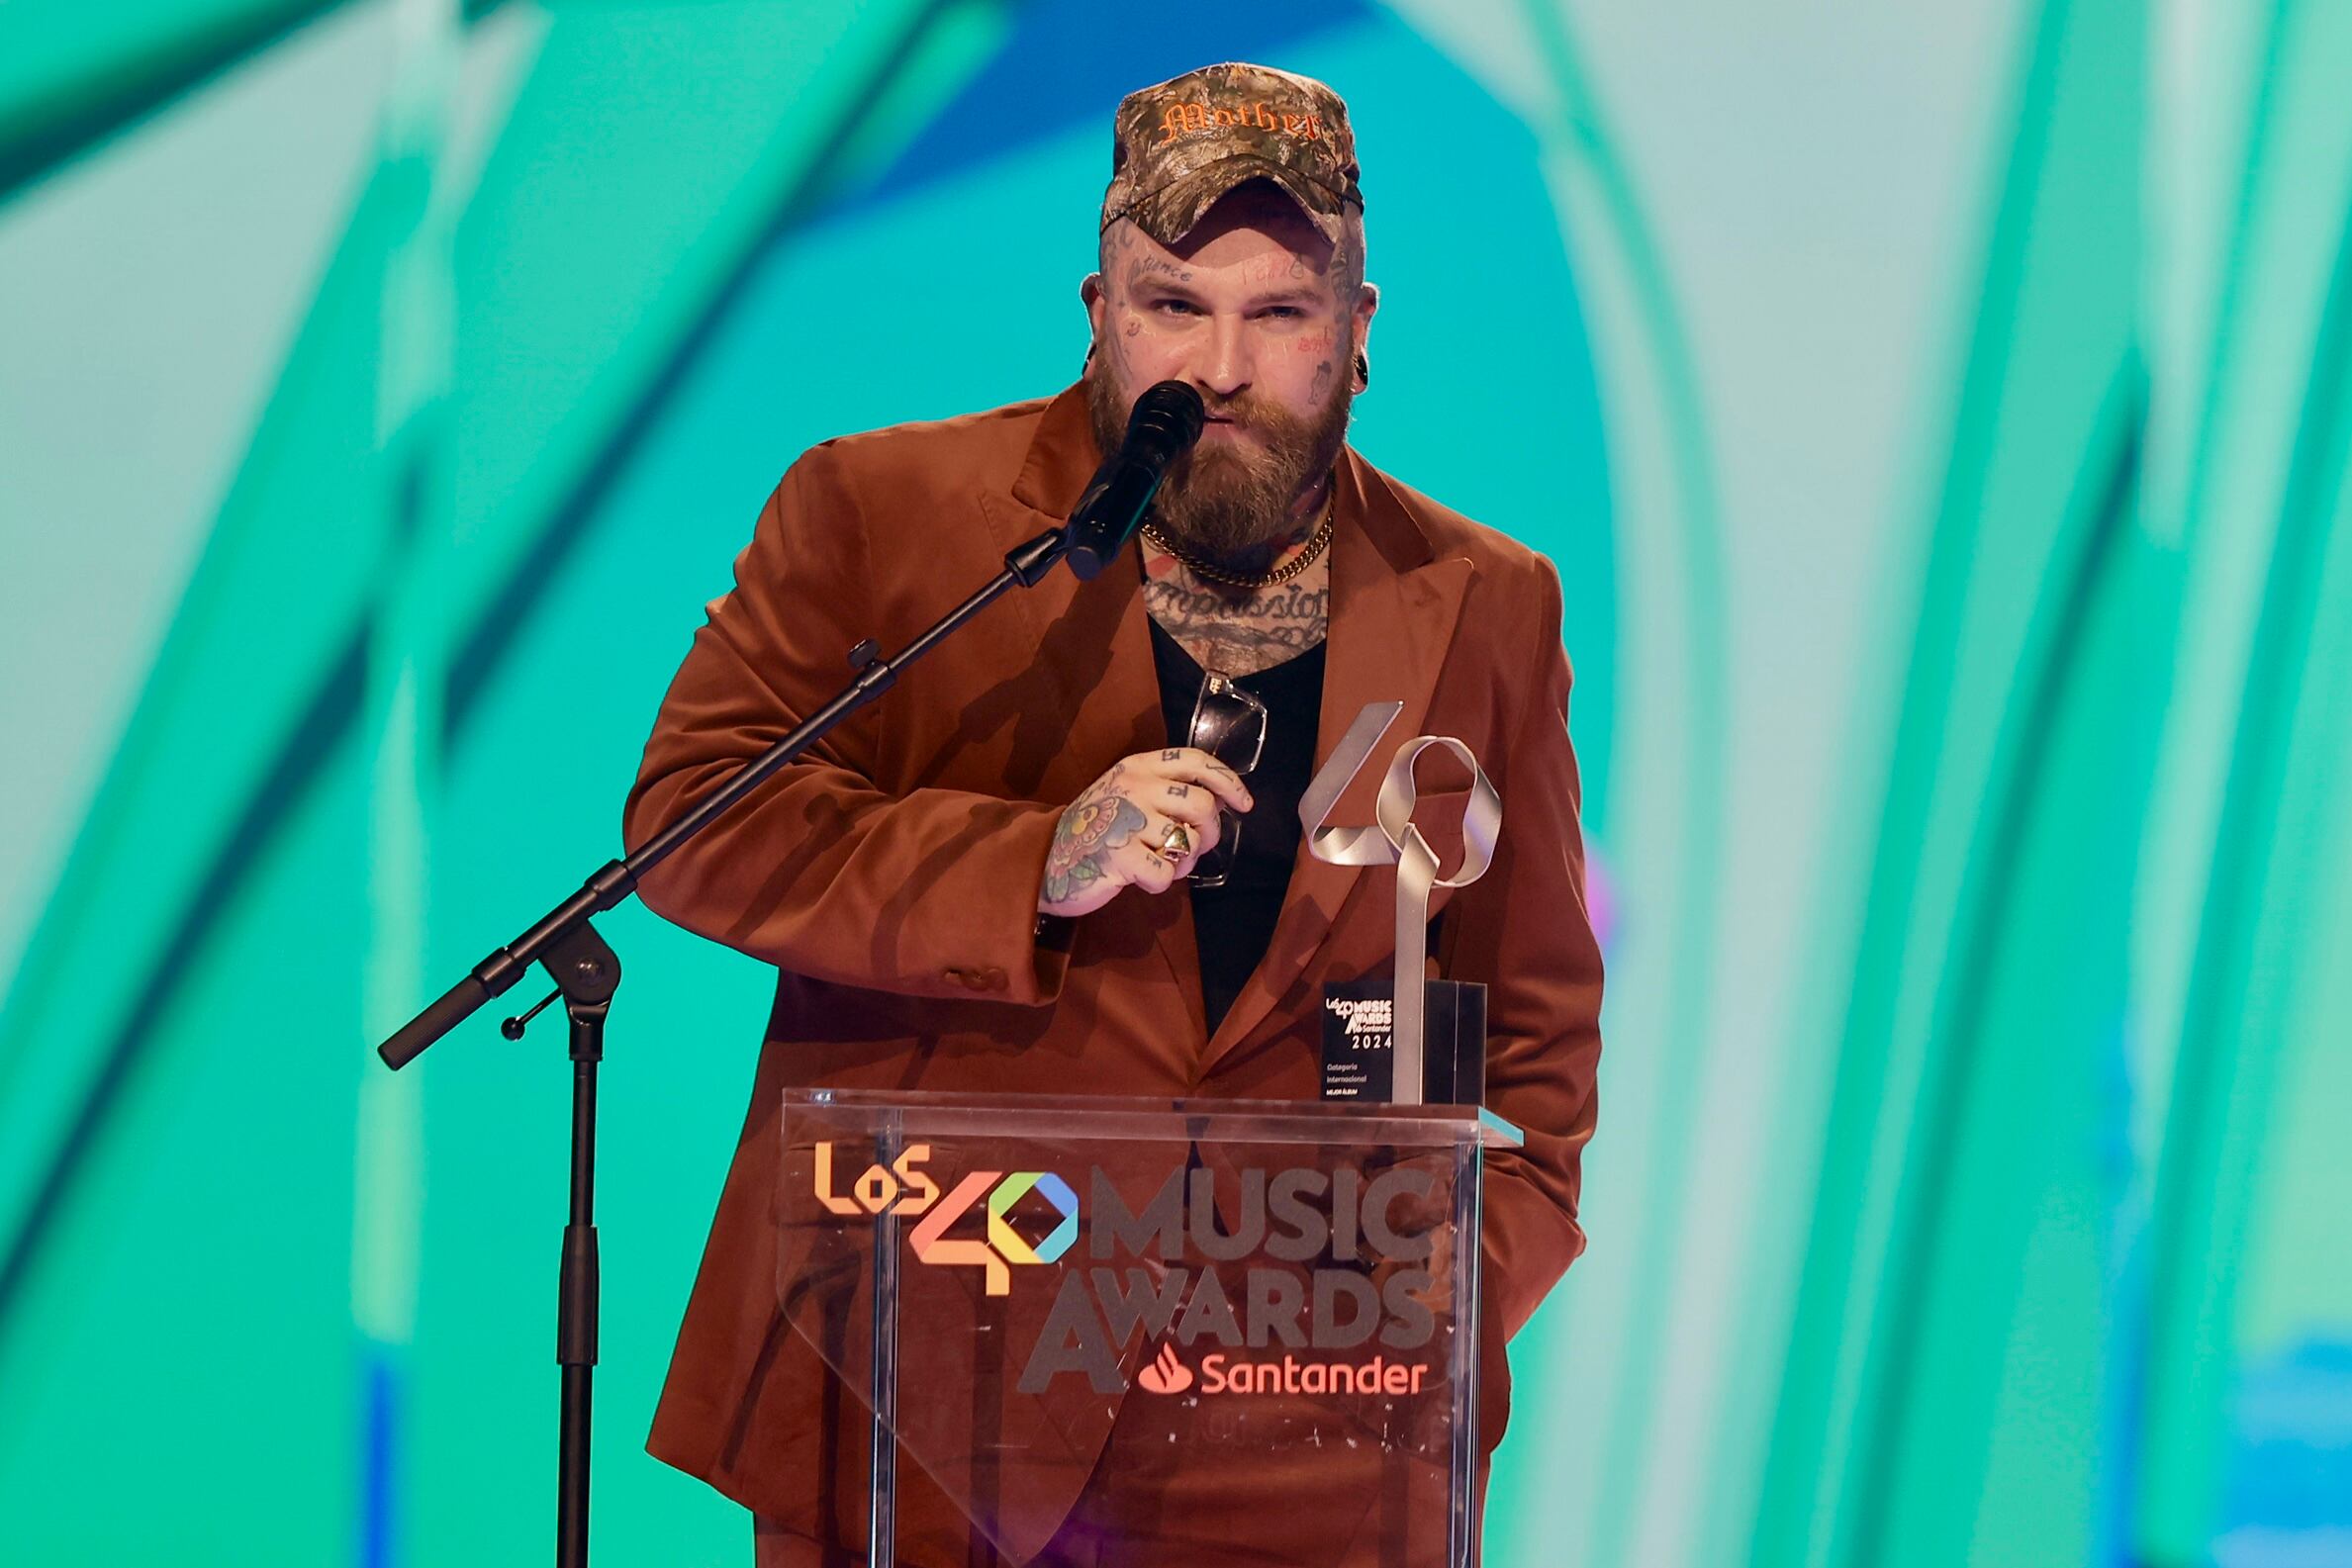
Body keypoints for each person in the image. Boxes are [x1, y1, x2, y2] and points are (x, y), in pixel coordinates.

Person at [624, 61, 1605, 1567]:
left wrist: (1452, 1281)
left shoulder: (1487, 603)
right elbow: (694, 814)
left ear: (1357, 333)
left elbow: (1523, 1012)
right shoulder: (886, 517)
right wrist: (1030, 862)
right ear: (1096, 310)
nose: (1219, 364)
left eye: (1278, 313)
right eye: (1171, 305)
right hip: (922, 1393)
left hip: (1304, 1422)